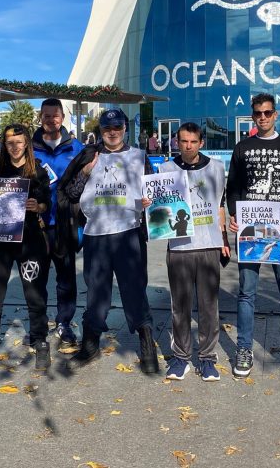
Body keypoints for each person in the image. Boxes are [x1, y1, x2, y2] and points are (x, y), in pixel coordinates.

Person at [61, 108, 159, 374]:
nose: (112, 132)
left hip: (129, 234)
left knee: (135, 290)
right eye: (107, 128)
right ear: (101, 130)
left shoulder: (139, 156)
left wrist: (150, 201)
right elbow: (69, 193)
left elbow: (155, 193)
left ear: (125, 128)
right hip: (96, 236)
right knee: (96, 292)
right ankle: (90, 345)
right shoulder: (89, 155)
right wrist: (84, 173)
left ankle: (147, 344)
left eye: (117, 128)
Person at [225, 93, 280, 381]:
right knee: (247, 293)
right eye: (258, 113)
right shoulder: (243, 147)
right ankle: (244, 349)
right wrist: (234, 214)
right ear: (253, 116)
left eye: (267, 113)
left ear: (276, 115)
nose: (262, 117)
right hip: (250, 232)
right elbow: (233, 188)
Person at [0, 124, 52, 370]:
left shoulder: (38, 172)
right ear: (4, 145)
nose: (14, 146)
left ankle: (40, 340)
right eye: (9, 142)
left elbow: (47, 204)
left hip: (30, 242)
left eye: (18, 141)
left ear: (27, 143)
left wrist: (39, 207)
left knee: (35, 295)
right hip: (1, 240)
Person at [153, 122, 228, 382]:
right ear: (176, 141)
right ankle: (181, 357)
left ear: (201, 143)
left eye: (193, 142)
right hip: (179, 246)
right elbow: (159, 211)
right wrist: (149, 206)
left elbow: (221, 204)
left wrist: (224, 239)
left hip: (208, 244)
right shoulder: (165, 169)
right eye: (183, 141)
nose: (188, 146)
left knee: (209, 306)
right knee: (180, 305)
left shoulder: (216, 168)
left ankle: (207, 358)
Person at [31, 97, 84, 350]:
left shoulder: (76, 147)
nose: (50, 119)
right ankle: (38, 325)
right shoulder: (29, 147)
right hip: (36, 225)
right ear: (40, 117)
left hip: (64, 224)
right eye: (46, 115)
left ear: (63, 118)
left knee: (65, 278)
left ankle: (64, 322)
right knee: (36, 279)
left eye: (55, 115)